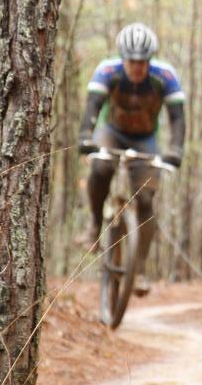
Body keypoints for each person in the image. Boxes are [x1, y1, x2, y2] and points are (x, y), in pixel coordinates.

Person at [77, 22, 185, 295]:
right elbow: (93, 105)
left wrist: (175, 151)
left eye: (142, 62)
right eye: (132, 61)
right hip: (111, 132)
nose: (137, 67)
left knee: (146, 199)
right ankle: (93, 224)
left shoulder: (165, 76)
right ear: (123, 58)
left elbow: (177, 117)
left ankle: (138, 271)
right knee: (101, 169)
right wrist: (86, 138)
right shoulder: (108, 71)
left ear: (150, 60)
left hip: (145, 139)